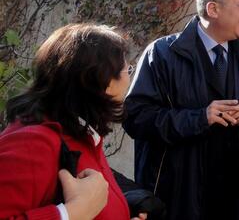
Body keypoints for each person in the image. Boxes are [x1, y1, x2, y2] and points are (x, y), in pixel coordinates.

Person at [123, 0, 239, 220]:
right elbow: (136, 118)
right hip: (177, 195)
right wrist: (199, 117)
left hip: (234, 195)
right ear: (213, 9)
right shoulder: (161, 54)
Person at [0, 23, 146, 220]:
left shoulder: (79, 134)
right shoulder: (34, 142)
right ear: (103, 82)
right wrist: (70, 213)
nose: (129, 77)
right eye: (127, 70)